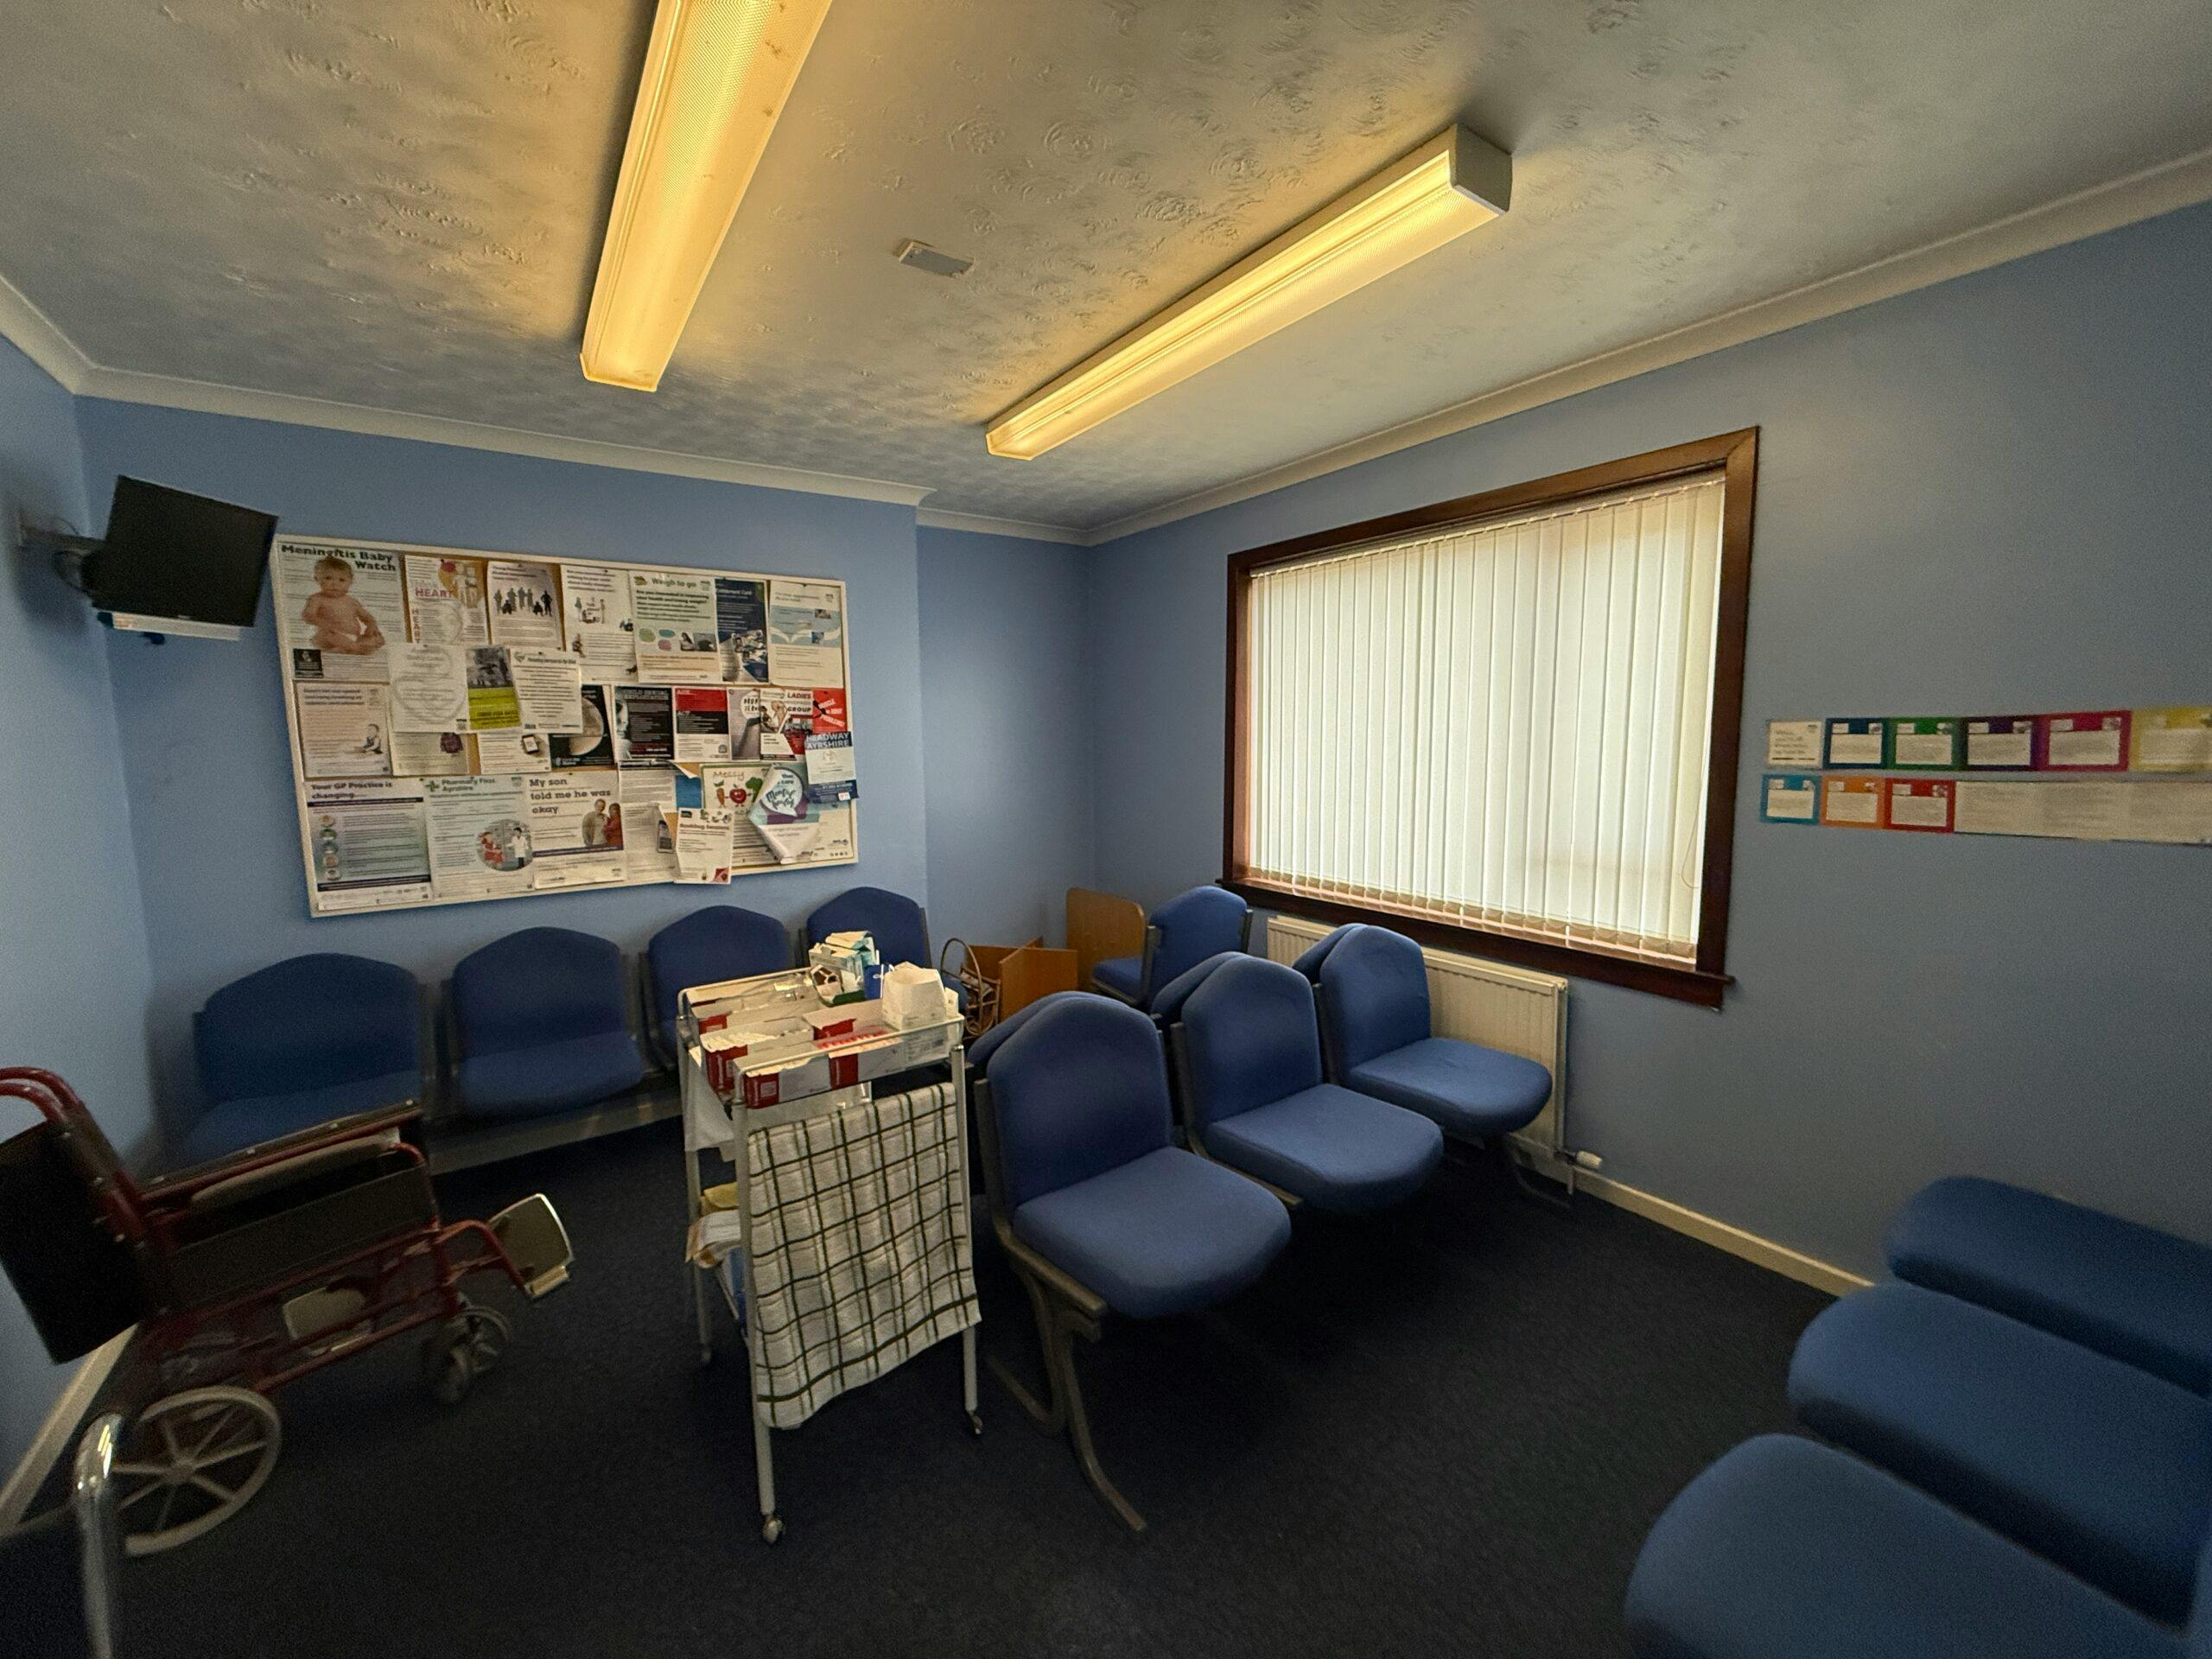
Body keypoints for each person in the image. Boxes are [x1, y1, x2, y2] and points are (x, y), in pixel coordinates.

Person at [302, 555, 385, 655]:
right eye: (328, 578)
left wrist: (372, 626)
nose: (335, 584)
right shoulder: (317, 599)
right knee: (331, 636)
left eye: (342, 580)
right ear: (317, 579)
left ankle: (345, 649)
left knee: (378, 638)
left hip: (353, 637)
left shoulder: (352, 601)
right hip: (329, 636)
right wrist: (324, 623)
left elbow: (367, 617)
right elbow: (307, 615)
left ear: (350, 582)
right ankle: (355, 648)